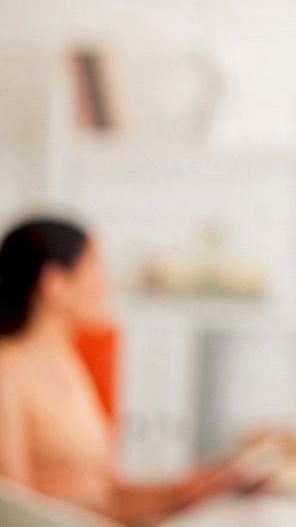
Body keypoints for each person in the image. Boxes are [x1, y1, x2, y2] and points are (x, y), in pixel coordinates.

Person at [0, 218, 243, 526]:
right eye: (95, 269)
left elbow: (108, 492)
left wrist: (196, 487)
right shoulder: (6, 374)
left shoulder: (68, 362)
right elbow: (15, 514)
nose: (107, 285)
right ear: (55, 282)